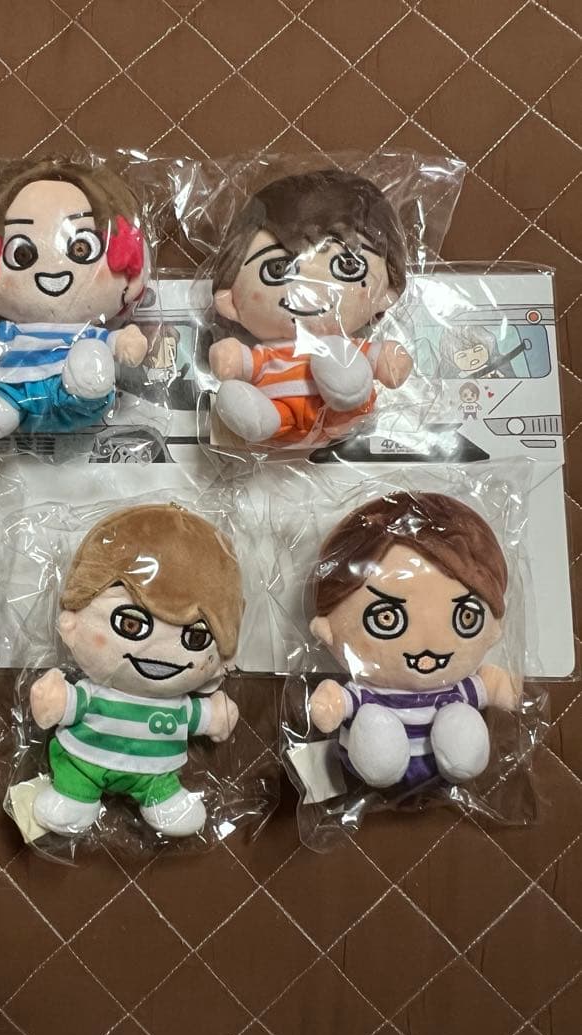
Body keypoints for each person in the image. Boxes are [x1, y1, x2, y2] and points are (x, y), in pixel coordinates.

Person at [29, 504, 244, 837]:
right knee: (74, 779)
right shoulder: (96, 692)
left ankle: (161, 799)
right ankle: (74, 794)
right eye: (131, 625)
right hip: (84, 762)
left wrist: (214, 716)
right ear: (72, 622)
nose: (160, 651)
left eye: (195, 637)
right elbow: (75, 702)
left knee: (163, 789)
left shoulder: (178, 704)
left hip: (156, 773)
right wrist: (57, 700)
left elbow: (196, 715)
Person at [306, 492, 518, 789]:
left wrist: (498, 687)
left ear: (493, 626)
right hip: (372, 757)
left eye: (465, 617)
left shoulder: (456, 690)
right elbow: (340, 702)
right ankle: (382, 763)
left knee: (459, 717)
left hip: (443, 766)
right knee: (372, 720)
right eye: (386, 618)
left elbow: (490, 686)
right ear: (326, 629)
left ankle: (462, 758)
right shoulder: (369, 691)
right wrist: (331, 702)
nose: (428, 644)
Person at [208, 169, 413, 445]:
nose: (311, 287)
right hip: (278, 418)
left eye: (347, 266)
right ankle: (257, 418)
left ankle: (346, 394)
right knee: (334, 356)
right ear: (229, 301)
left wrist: (388, 359)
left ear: (385, 294)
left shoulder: (349, 345)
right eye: (277, 269)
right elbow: (243, 362)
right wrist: (231, 357)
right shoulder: (267, 352)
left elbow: (380, 359)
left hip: (344, 418)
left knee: (339, 354)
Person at [0, 159, 149, 439]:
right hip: (16, 393)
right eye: (21, 254)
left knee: (91, 353)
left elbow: (114, 343)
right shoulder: (13, 331)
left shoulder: (90, 335)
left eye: (82, 248)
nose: (52, 269)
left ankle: (86, 387)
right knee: (89, 351)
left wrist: (125, 342)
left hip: (79, 398)